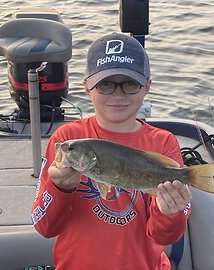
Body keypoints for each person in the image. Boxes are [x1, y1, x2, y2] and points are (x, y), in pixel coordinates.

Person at [31, 32, 192, 270]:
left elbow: (164, 237)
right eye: (105, 84)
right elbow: (45, 227)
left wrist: (169, 211)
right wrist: (59, 188)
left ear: (146, 86)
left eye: (129, 83)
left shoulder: (163, 143)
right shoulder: (67, 139)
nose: (118, 94)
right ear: (87, 86)